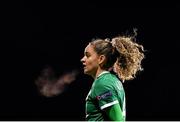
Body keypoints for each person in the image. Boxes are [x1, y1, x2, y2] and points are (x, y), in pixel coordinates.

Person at [80, 33, 145, 121]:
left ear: (101, 59)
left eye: (87, 55)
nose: (82, 59)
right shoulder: (111, 80)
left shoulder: (102, 84)